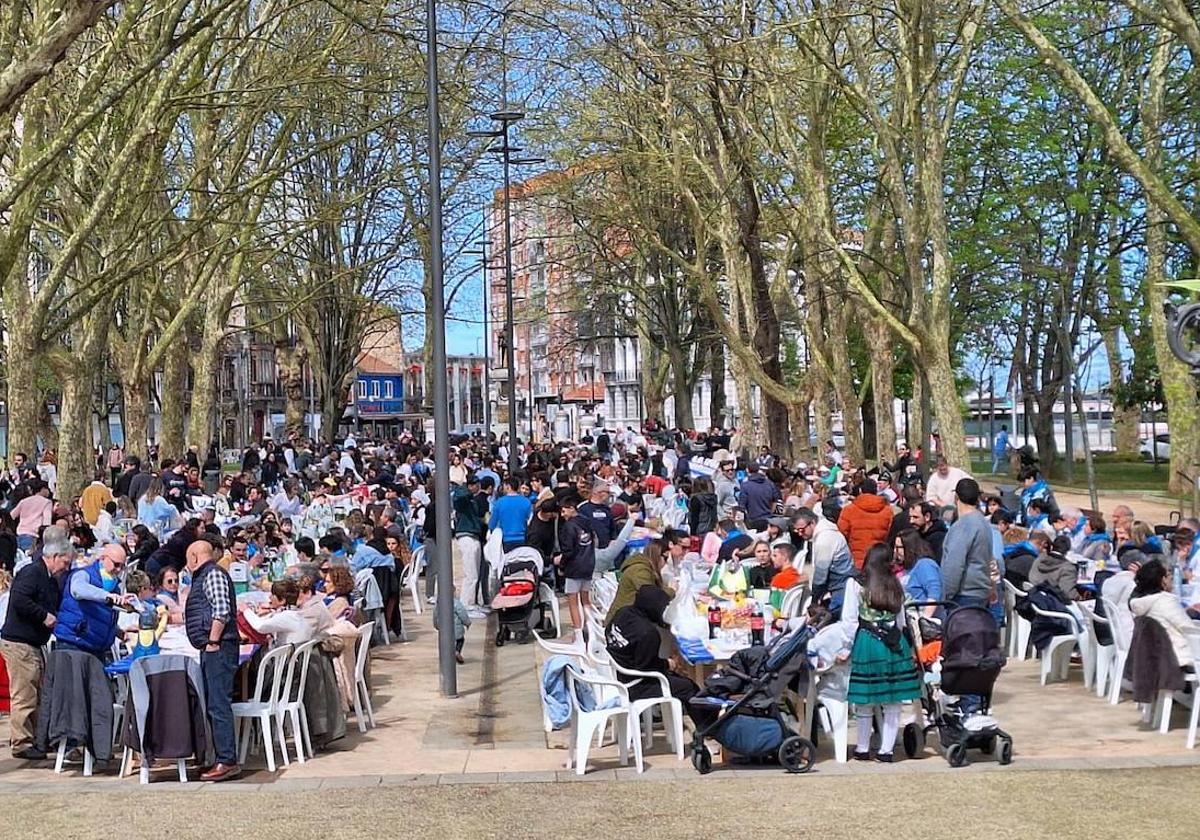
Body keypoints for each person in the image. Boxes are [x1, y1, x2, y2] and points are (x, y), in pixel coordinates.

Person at [0, 526, 71, 760]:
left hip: (32, 643)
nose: (66, 567)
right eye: (65, 561)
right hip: (19, 642)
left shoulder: (50, 580)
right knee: (24, 692)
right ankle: (21, 742)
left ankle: (34, 738)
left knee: (36, 691)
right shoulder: (32, 573)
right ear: (53, 557)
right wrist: (44, 615)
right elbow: (19, 599)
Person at [848, 544, 923, 762]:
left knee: (865, 700)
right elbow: (901, 622)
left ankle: (862, 748)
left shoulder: (856, 585)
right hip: (893, 643)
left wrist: (844, 648)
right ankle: (886, 751)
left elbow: (850, 620)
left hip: (867, 641)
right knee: (893, 701)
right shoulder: (896, 584)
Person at [184, 538, 241, 782]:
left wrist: (213, 641)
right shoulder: (205, 576)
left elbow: (221, 610)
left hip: (218, 646)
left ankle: (226, 760)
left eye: (188, 559)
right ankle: (218, 756)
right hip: (211, 646)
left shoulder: (213, 575)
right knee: (213, 703)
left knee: (218, 704)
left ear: (195, 557)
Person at [606, 586, 703, 719]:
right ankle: (706, 727)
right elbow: (647, 667)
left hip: (620, 673)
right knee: (689, 687)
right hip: (636, 685)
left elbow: (608, 633)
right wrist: (668, 664)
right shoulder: (647, 633)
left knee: (677, 679)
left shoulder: (623, 613)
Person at [53, 542, 133, 657]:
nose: (118, 569)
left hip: (97, 648)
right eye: (116, 564)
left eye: (122, 566)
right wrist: (107, 596)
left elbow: (102, 616)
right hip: (73, 644)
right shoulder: (83, 574)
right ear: (103, 558)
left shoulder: (114, 586)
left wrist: (117, 632)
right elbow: (78, 590)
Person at [1129, 559, 1196, 670]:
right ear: (1162, 580)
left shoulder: (1143, 603)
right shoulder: (1166, 601)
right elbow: (1188, 628)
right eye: (1169, 575)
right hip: (1180, 657)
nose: (1172, 578)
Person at [940, 478, 995, 609]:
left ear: (956, 497)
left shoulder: (963, 525)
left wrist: (945, 595)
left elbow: (954, 564)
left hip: (964, 595)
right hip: (981, 593)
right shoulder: (983, 522)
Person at [793, 508, 854, 613]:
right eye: (796, 530)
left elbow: (820, 576)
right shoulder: (824, 533)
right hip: (838, 583)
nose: (800, 534)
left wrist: (814, 600)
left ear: (812, 523)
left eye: (802, 530)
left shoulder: (825, 539)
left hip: (841, 585)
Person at [605, 539, 674, 626]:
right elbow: (652, 598)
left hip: (628, 616)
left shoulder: (645, 567)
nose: (666, 562)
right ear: (657, 556)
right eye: (666, 558)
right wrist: (671, 591)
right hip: (621, 623)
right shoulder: (640, 571)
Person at [555, 494, 595, 638]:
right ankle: (591, 628)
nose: (562, 514)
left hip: (574, 567)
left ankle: (578, 632)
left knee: (572, 601)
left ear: (572, 509)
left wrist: (561, 565)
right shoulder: (587, 523)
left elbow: (568, 551)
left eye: (564, 511)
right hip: (588, 564)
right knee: (586, 600)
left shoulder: (569, 526)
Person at [837, 479, 893, 569]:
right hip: (879, 560)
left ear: (860, 490)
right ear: (876, 490)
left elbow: (841, 534)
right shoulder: (888, 511)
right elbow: (890, 534)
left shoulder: (849, 510)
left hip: (855, 561)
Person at [240, 579, 312, 648]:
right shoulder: (296, 613)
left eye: (273, 595)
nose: (269, 597)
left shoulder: (287, 616)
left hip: (284, 658)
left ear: (282, 600)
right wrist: (271, 610)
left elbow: (260, 626)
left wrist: (246, 610)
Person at [452, 477, 486, 616]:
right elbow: (458, 497)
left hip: (474, 535)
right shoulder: (464, 499)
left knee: (474, 573)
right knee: (470, 574)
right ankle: (467, 604)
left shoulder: (473, 502)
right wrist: (466, 488)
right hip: (466, 537)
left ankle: (472, 602)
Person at [895, 530, 940, 612]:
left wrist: (925, 619)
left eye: (898, 547)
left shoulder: (925, 565)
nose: (895, 551)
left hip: (922, 618)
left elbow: (934, 594)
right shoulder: (907, 568)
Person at [1028, 535, 1079, 602]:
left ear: (1052, 546)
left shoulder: (1039, 558)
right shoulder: (1068, 568)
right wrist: (1079, 596)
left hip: (1033, 598)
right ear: (1067, 550)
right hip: (1052, 604)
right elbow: (1068, 594)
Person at [489, 477, 532, 553]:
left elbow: (492, 523)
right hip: (522, 538)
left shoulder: (499, 502)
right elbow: (530, 521)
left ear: (508, 486)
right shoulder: (526, 502)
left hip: (505, 539)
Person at [432, 586, 471, 664]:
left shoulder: (438, 604)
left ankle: (446, 656)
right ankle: (457, 651)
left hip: (444, 630)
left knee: (446, 643)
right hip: (456, 629)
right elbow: (462, 614)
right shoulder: (456, 603)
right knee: (460, 640)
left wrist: (436, 625)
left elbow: (435, 615)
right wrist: (467, 623)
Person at [11, 481, 53, 552]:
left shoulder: (24, 501)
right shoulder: (47, 502)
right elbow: (47, 522)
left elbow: (11, 516)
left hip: (19, 535)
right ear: (42, 489)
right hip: (33, 536)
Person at [737, 464, 780, 531]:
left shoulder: (745, 486)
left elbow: (742, 505)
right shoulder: (769, 484)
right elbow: (775, 500)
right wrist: (770, 512)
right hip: (768, 519)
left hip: (753, 521)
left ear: (747, 470)